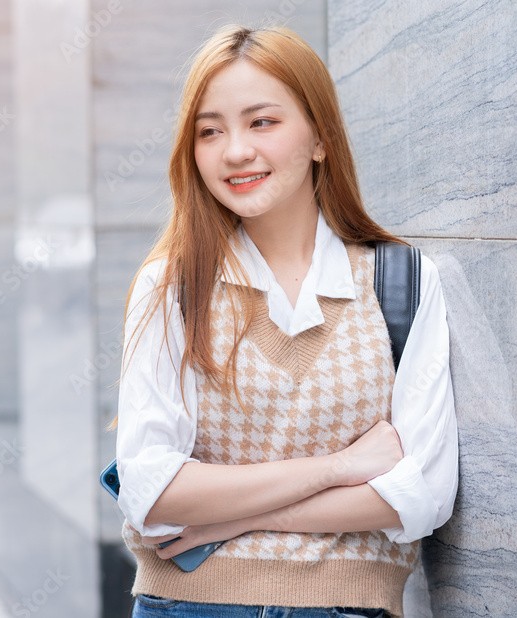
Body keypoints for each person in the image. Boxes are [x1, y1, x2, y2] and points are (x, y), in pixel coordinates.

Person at [113, 24, 458, 618]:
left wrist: (236, 513)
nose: (235, 151)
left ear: (320, 137)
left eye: (262, 122)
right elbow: (151, 494)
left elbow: (420, 494)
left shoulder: (400, 283)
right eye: (210, 131)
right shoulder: (173, 287)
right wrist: (342, 468)